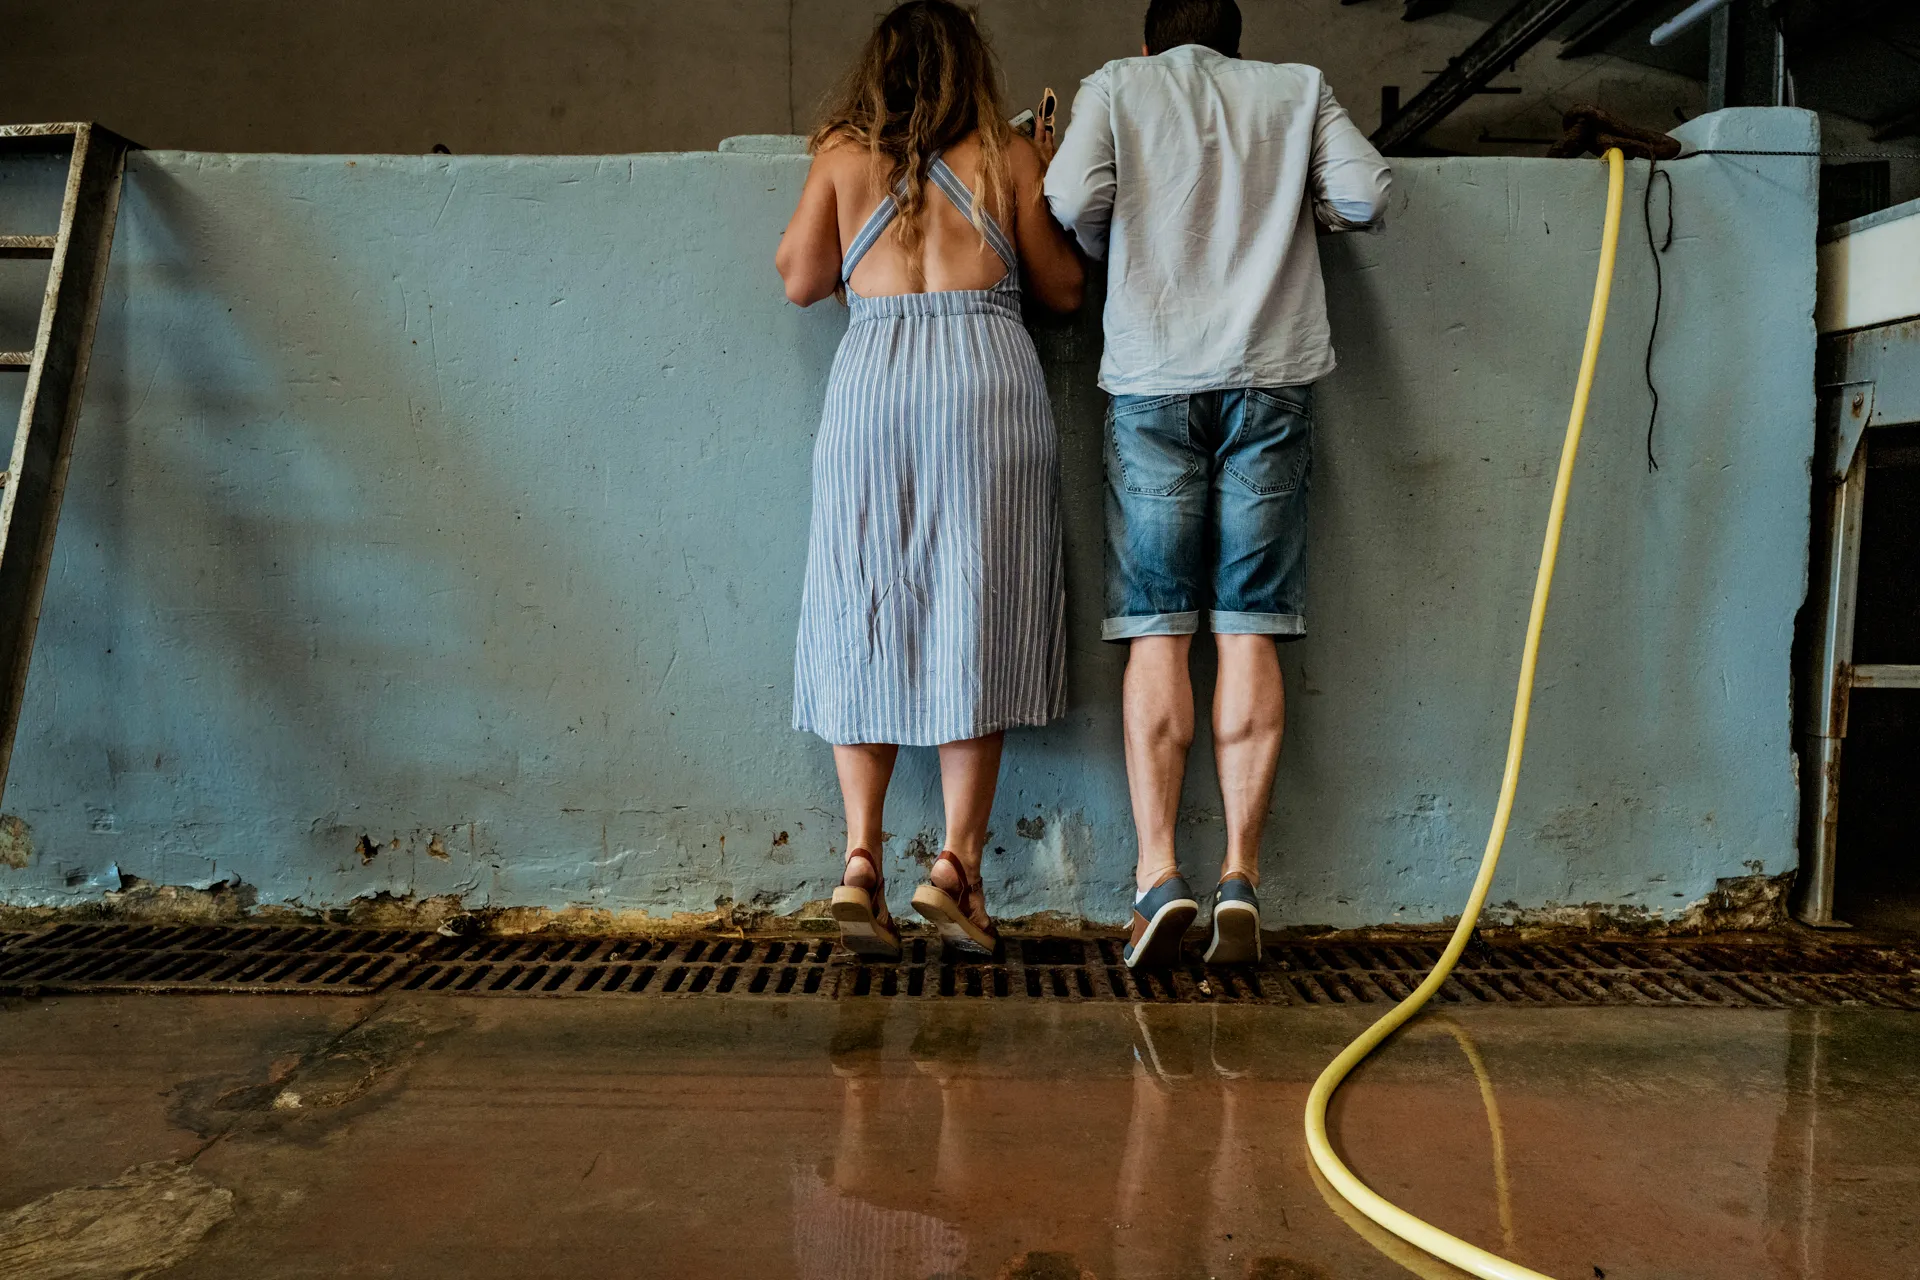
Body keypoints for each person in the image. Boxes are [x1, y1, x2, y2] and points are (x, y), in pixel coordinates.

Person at [1044, 0, 1390, 967]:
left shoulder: (1117, 84)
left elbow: (1070, 200)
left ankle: (1159, 876)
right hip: (1271, 379)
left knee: (1158, 628)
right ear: (1235, 37)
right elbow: (1364, 198)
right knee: (1250, 623)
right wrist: (1296, 215)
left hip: (1154, 381)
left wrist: (1130, 243)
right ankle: (1240, 874)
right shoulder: (1299, 89)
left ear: (1152, 37)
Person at [777, 0, 1084, 962]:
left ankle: (860, 863)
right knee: (974, 611)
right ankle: (955, 866)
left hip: (873, 389)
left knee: (861, 602)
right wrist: (1044, 159)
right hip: (984, 392)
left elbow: (798, 277)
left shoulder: (841, 158)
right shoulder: (1010, 158)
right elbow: (1064, 290)